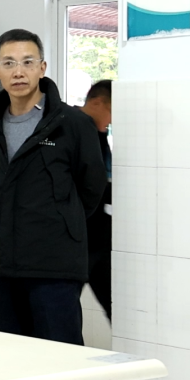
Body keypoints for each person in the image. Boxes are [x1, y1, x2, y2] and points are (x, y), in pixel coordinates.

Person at [0, 29, 106, 380]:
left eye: (27, 62)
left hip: (54, 267)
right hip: (4, 264)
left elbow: (91, 188)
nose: (18, 71)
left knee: (63, 371)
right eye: (9, 63)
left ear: (42, 68)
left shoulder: (72, 123)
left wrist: (60, 222)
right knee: (14, 373)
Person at [80, 80, 112, 321]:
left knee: (116, 306)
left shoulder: (99, 134)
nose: (112, 120)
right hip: (78, 237)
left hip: (99, 237)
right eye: (111, 112)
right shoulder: (74, 129)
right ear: (97, 102)